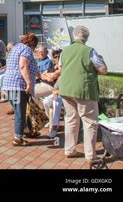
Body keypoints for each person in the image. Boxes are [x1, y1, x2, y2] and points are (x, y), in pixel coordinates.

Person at [59, 25, 107, 163]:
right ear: (86, 37)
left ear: (74, 36)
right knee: (90, 122)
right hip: (84, 90)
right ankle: (90, 155)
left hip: (66, 89)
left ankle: (69, 150)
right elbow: (103, 69)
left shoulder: (65, 51)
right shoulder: (90, 51)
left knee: (71, 119)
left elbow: (60, 67)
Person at [1, 33, 39, 146]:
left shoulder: (16, 48)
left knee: (20, 110)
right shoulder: (26, 49)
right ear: (32, 44)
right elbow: (23, 66)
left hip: (9, 84)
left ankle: (26, 130)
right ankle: (18, 138)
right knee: (20, 113)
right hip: (18, 85)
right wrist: (29, 82)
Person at [42, 48, 64, 138]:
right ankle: (50, 120)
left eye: (59, 56)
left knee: (56, 101)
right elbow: (44, 75)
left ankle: (55, 126)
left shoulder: (64, 67)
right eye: (55, 57)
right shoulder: (54, 67)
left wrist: (49, 75)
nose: (57, 59)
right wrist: (49, 75)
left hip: (65, 93)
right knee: (46, 101)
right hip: (55, 90)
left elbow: (51, 77)